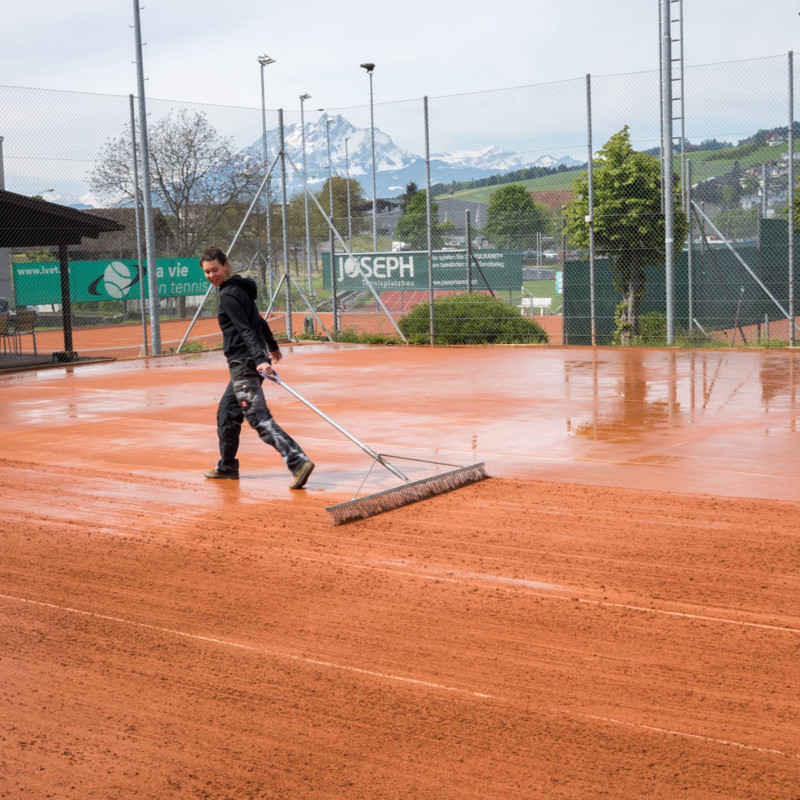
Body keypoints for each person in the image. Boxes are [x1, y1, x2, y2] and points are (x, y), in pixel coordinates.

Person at [200, 245, 314, 489]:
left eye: (215, 270)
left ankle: (297, 461)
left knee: (258, 417)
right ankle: (227, 466)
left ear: (225, 265)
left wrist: (262, 358)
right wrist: (272, 346)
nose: (211, 275)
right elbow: (259, 321)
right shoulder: (240, 290)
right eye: (207, 272)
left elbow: (245, 328)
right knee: (227, 412)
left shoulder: (229, 296)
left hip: (244, 365)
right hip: (247, 363)